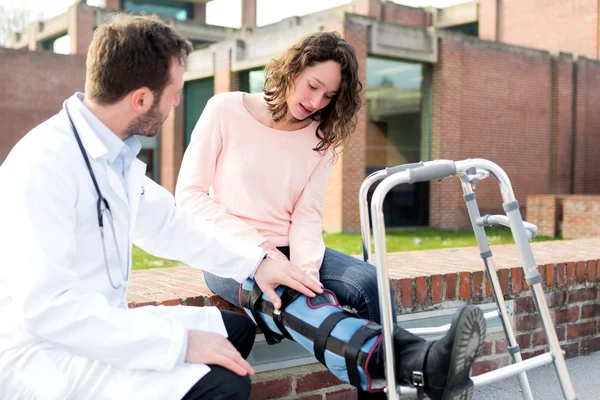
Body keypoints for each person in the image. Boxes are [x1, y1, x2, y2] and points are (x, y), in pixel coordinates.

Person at [0, 14, 323, 400]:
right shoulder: (44, 164)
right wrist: (179, 344)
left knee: (234, 331)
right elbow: (48, 311)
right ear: (141, 99)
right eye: (175, 92)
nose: (177, 102)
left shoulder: (110, 153)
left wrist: (257, 263)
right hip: (44, 353)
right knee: (225, 384)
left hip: (97, 324)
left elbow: (171, 226)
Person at [175, 32, 486, 399]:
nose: (315, 102)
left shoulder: (321, 137)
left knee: (370, 284)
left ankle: (399, 383)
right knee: (294, 300)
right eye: (312, 86)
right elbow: (190, 196)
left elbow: (307, 216)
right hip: (229, 252)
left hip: (292, 246)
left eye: (328, 96)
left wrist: (306, 272)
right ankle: (425, 364)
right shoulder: (224, 110)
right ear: (293, 69)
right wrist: (262, 251)